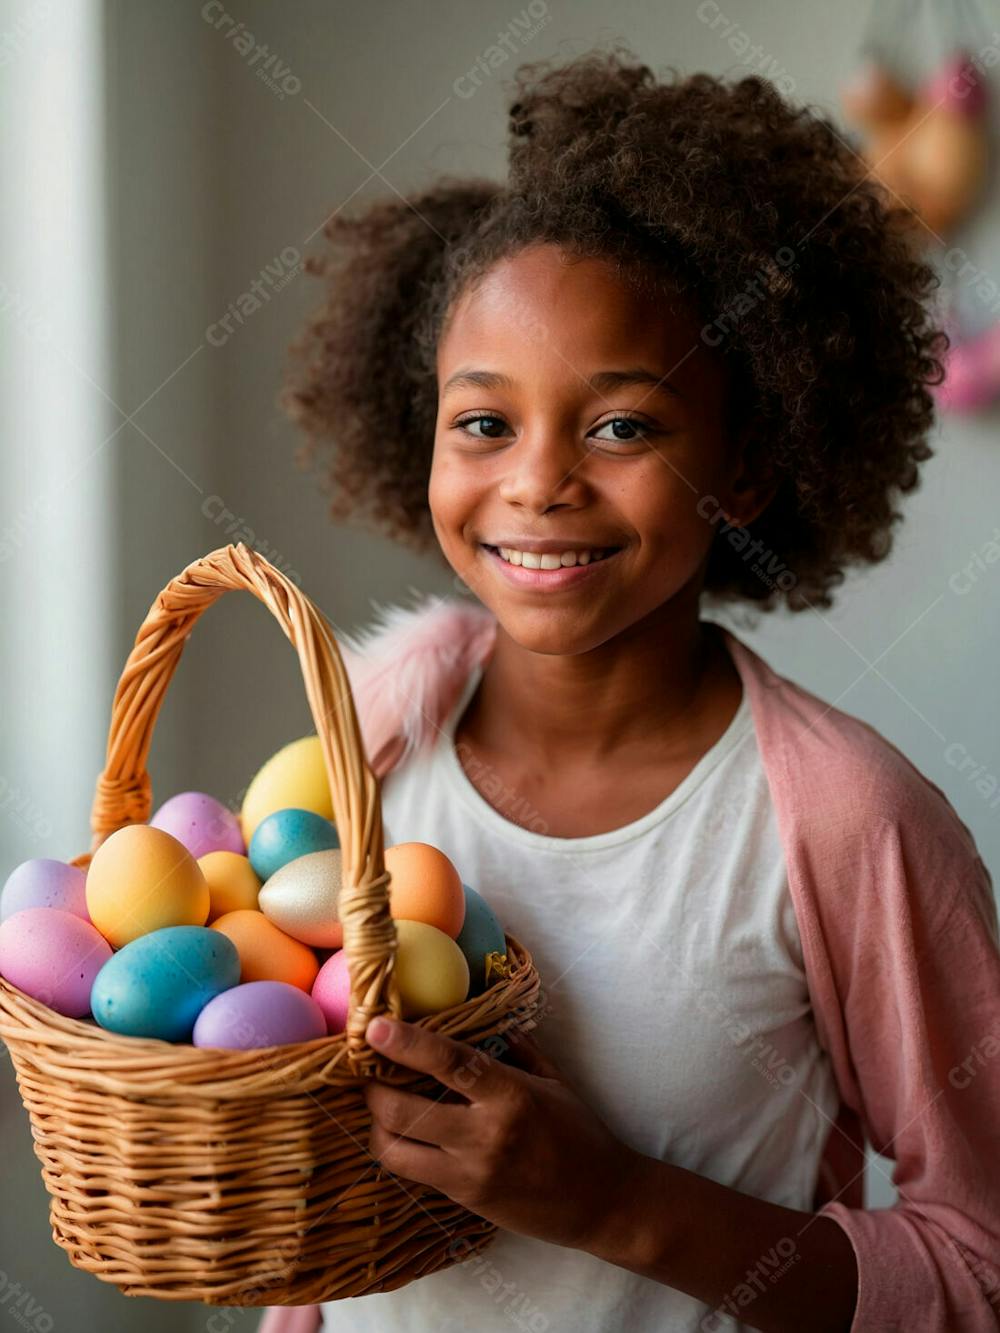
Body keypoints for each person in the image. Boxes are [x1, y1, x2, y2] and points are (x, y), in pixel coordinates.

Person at [263, 48, 1000, 1333]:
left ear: (751, 469)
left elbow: (978, 1268)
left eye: (623, 426)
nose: (539, 483)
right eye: (484, 423)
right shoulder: (368, 749)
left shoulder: (846, 824)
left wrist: (611, 1202)